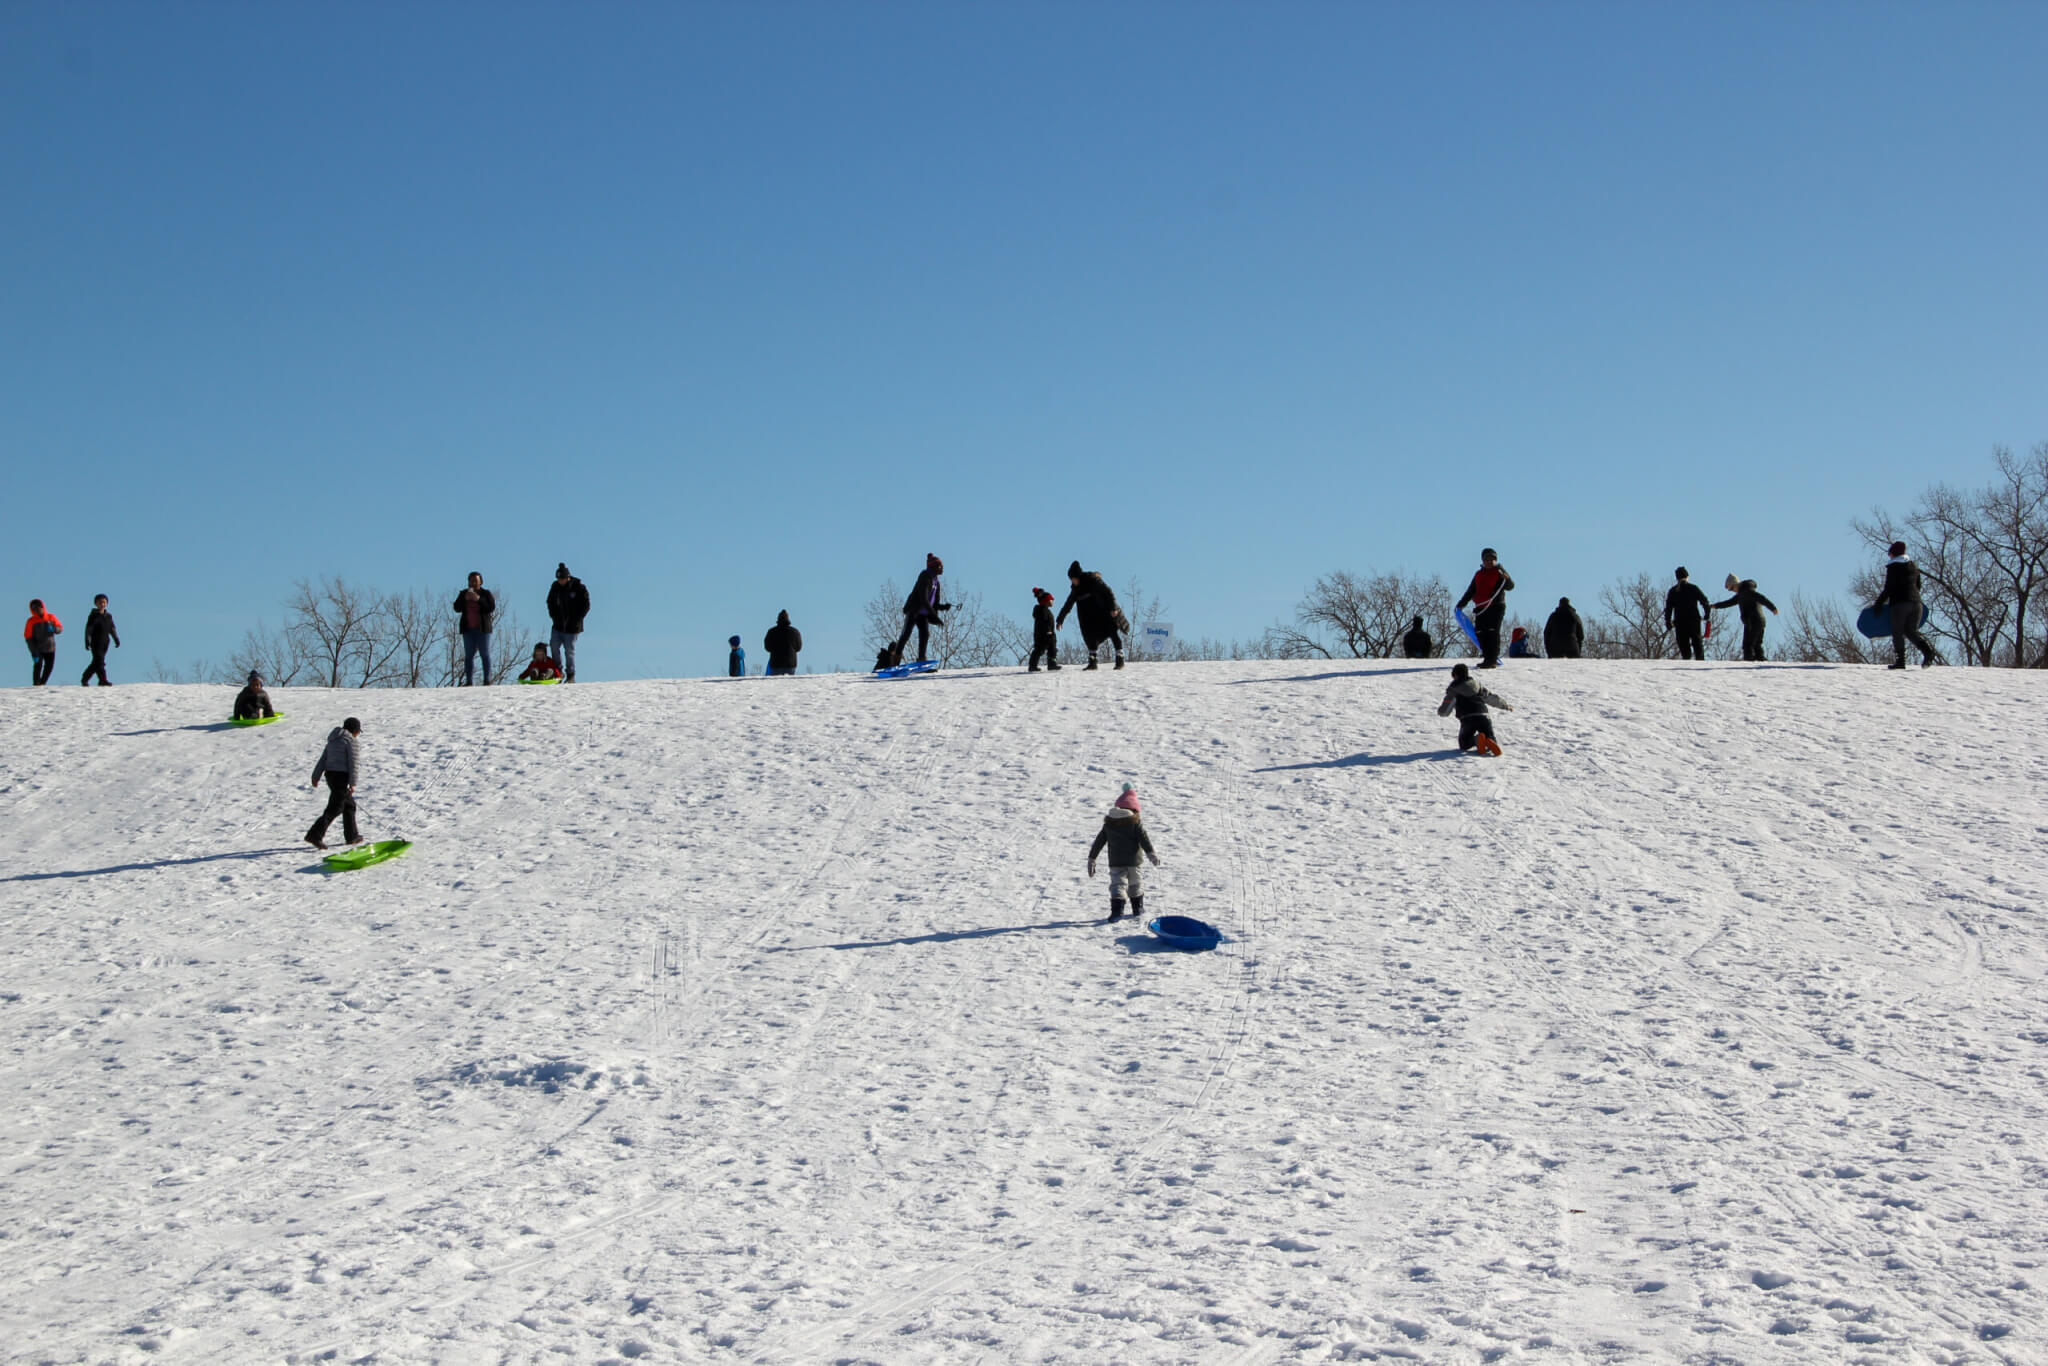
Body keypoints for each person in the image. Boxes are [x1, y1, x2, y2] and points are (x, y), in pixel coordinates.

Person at [1087, 800, 1161, 923]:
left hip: (1116, 862)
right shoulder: (1135, 823)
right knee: (1135, 884)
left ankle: (1117, 912)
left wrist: (1092, 858)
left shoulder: (1109, 824)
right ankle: (1138, 908)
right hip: (1134, 862)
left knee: (1118, 885)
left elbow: (1098, 842)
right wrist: (1151, 854)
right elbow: (1144, 839)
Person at [1871, 540, 1939, 669]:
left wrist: (1879, 603)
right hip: (1916, 603)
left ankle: (1900, 662)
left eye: (1889, 553)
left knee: (1897, 632)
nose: (1889, 556)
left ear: (1893, 553)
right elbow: (1918, 585)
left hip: (1900, 604)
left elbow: (1889, 587)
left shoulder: (1893, 567)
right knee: (1911, 631)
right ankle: (1928, 652)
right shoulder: (1913, 566)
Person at [305, 717, 363, 850]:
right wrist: (352, 783)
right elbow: (353, 764)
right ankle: (314, 834)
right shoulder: (352, 742)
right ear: (355, 731)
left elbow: (323, 759)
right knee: (336, 807)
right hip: (342, 777)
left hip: (331, 776)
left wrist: (316, 776)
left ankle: (352, 835)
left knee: (349, 805)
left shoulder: (333, 740)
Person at [1056, 560, 1125, 669]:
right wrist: (1060, 620)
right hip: (1088, 618)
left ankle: (1119, 659)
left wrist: (1112, 608)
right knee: (1090, 638)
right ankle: (1092, 662)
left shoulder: (1093, 580)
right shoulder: (1075, 589)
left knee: (1112, 632)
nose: (1072, 581)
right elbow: (1068, 604)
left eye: (1073, 579)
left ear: (1077, 576)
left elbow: (1108, 592)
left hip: (1103, 612)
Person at [1454, 549, 1515, 668]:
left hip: (1496, 607)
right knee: (1480, 632)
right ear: (1483, 561)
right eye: (1487, 559)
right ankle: (1487, 657)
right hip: (1481, 608)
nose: (1490, 562)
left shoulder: (1499, 572)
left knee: (1492, 632)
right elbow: (1471, 591)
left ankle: (1492, 659)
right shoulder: (1479, 574)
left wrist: (1506, 578)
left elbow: (1510, 586)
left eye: (1493, 559)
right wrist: (1461, 604)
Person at [1438, 661, 1512, 755]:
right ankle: (1489, 741)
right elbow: (1490, 698)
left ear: (1455, 675)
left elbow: (1446, 707)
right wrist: (1505, 706)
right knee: (1489, 736)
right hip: (1483, 715)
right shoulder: (1477, 685)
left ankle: (1476, 740)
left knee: (1464, 743)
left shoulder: (1454, 689)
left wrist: (1441, 712)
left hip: (1467, 718)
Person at [891, 553, 951, 666]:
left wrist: (943, 607)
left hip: (923, 613)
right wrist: (934, 616)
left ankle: (921, 659)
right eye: (940, 566)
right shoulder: (925, 577)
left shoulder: (936, 582)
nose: (942, 568)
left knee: (925, 634)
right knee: (906, 634)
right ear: (934, 567)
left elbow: (934, 604)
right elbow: (923, 598)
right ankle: (895, 660)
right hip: (914, 610)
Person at [1711, 574, 1778, 662]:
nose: (1732, 591)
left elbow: (1761, 598)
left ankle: (1749, 664)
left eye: (1731, 588)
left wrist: (1772, 607)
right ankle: (1760, 662)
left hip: (1755, 621)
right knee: (1756, 644)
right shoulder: (1741, 595)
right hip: (1753, 621)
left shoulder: (1748, 591)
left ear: (1735, 584)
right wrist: (1715, 606)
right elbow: (1729, 602)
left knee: (1748, 645)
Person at [545, 563, 589, 683]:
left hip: (572, 627)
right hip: (558, 625)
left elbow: (586, 604)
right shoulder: (555, 587)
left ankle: (571, 674)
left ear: (568, 577)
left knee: (569, 651)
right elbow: (550, 602)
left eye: (563, 579)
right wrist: (553, 616)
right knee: (554, 646)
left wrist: (578, 619)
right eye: (559, 579)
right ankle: (558, 672)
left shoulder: (578, 587)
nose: (561, 581)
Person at [453, 572, 496, 685]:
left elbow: (491, 607)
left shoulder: (486, 594)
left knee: (485, 654)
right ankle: (469, 681)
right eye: (471, 581)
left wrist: (478, 599)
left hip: (483, 630)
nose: (473, 583)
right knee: (468, 656)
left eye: (475, 581)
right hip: (468, 630)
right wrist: (464, 600)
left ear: (480, 582)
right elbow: (456, 608)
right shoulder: (464, 593)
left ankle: (487, 680)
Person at [1664, 568, 1711, 661]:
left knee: (1684, 647)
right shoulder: (1693, 588)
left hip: (1680, 622)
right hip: (1694, 621)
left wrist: (1668, 622)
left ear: (1677, 578)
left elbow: (1668, 608)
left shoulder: (1673, 591)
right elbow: (1704, 600)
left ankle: (1686, 665)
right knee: (1697, 644)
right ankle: (1700, 664)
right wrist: (1707, 614)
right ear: (1687, 577)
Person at [81, 594, 120, 686]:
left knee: (97, 662)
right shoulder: (93, 616)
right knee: (99, 661)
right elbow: (88, 629)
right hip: (96, 642)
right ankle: (102, 679)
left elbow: (112, 628)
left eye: (104, 602)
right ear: (96, 604)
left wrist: (116, 639)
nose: (102, 604)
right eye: (100, 602)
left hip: (105, 642)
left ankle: (85, 678)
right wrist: (87, 641)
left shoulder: (108, 616)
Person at [22, 599, 62, 687]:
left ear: (43, 607)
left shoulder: (51, 617)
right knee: (38, 665)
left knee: (49, 667)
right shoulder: (31, 621)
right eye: (34, 609)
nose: (37, 610)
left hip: (50, 647)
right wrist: (33, 652)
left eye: (39, 607)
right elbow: (28, 637)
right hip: (38, 648)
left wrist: (55, 629)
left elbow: (60, 628)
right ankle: (36, 683)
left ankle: (43, 683)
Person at [1028, 587, 1061, 672]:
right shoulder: (1042, 610)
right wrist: (1048, 631)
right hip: (1044, 634)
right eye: (1051, 600)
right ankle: (1033, 665)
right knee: (1040, 649)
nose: (1052, 601)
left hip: (1048, 634)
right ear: (1046, 601)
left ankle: (1052, 664)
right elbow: (1043, 622)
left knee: (1052, 649)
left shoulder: (1045, 610)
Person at [764, 610, 802, 676]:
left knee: (776, 684)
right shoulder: (795, 632)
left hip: (776, 663)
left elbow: (767, 647)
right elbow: (798, 647)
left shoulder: (772, 632)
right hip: (790, 664)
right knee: (789, 684)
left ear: (778, 619)